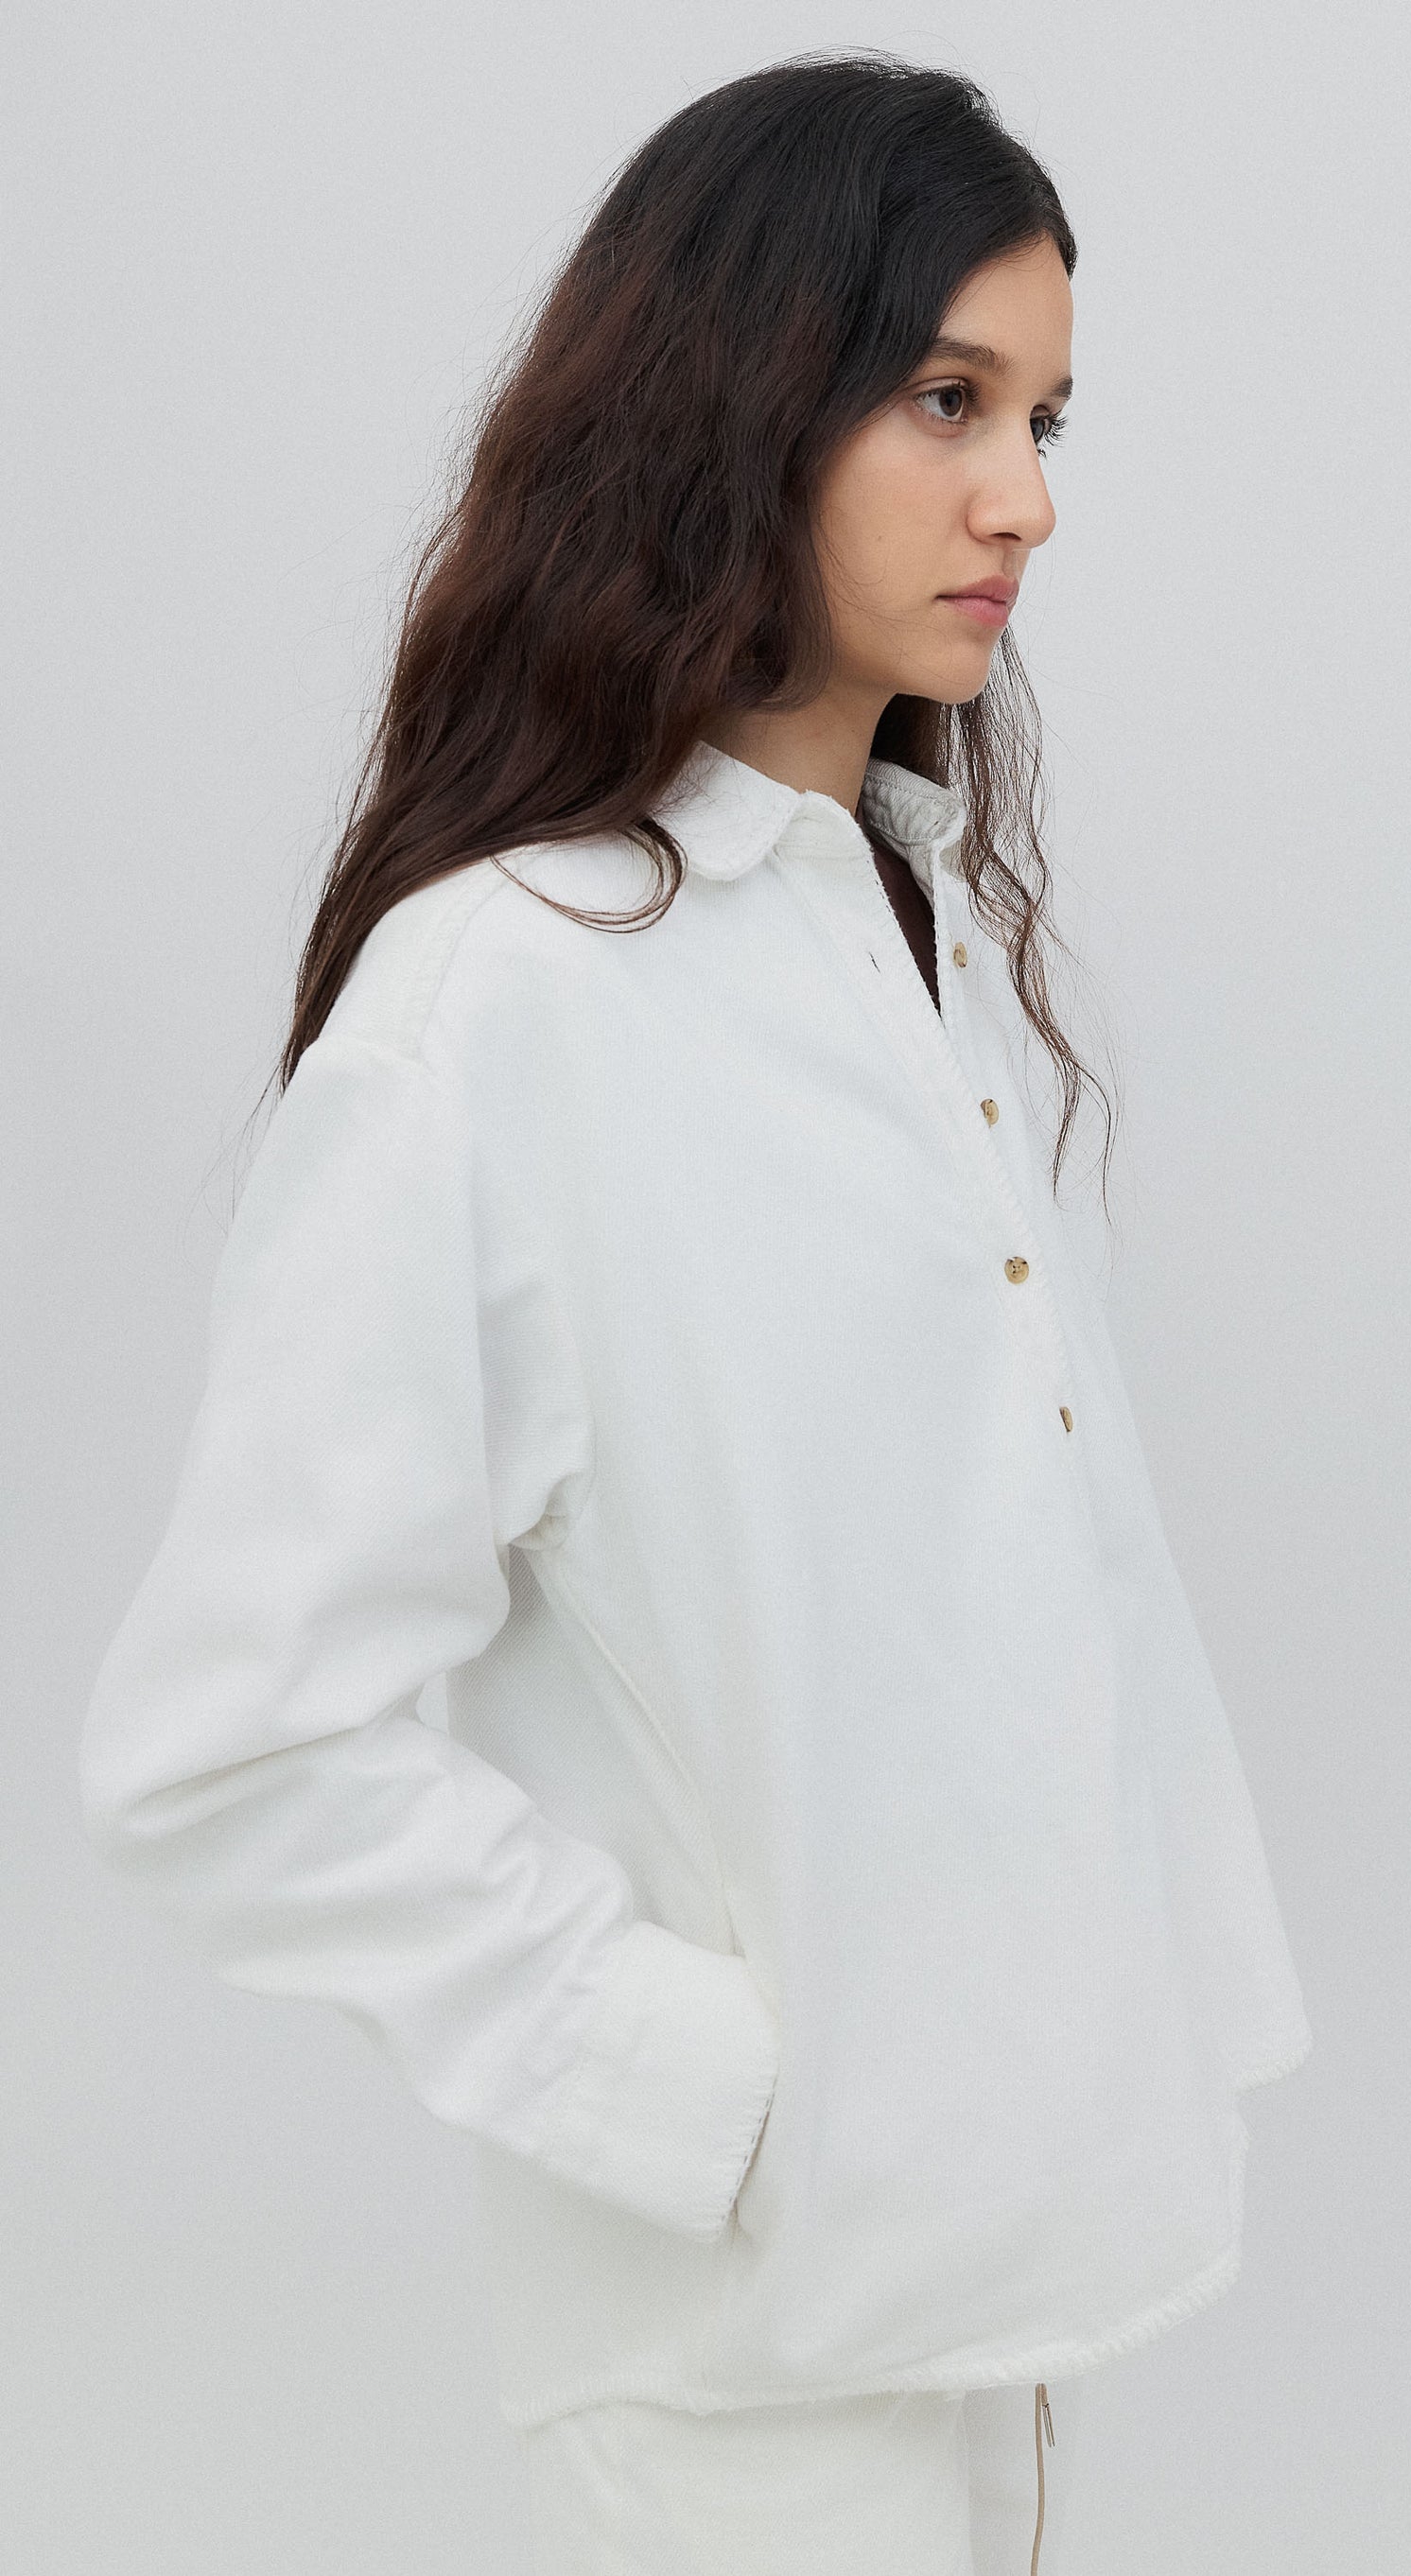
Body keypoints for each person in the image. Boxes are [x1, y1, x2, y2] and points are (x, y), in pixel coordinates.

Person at [78, 52, 1311, 2576]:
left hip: (1006, 2260)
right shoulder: (498, 998)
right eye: (946, 397)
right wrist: (711, 2089)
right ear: (741, 382)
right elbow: (230, 1738)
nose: (1025, 497)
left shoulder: (911, 927)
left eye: (1047, 414)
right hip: (733, 2356)